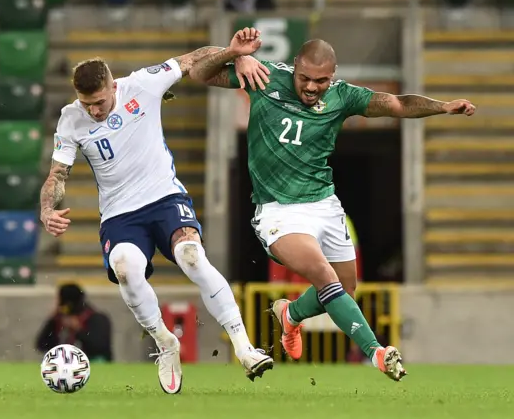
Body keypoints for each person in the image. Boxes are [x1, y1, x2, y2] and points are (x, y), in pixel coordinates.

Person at [189, 27, 476, 381]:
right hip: (278, 210)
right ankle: (377, 352)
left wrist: (443, 107)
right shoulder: (263, 77)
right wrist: (233, 53)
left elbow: (397, 104)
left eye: (321, 81)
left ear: (333, 76)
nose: (311, 87)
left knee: (345, 288)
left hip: (324, 205)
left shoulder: (343, 97)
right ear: (294, 66)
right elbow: (199, 73)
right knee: (325, 277)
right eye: (305, 78)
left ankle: (290, 315)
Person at [39, 46, 273, 394]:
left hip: (165, 197)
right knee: (124, 269)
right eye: (87, 104)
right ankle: (165, 344)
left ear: (113, 87)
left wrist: (233, 51)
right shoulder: (71, 118)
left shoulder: (141, 85)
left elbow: (193, 60)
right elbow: (58, 174)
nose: (94, 110)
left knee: (191, 257)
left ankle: (244, 348)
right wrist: (46, 209)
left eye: (99, 102)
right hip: (120, 214)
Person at [35, 283, 113, 362]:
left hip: (92, 363)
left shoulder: (97, 319)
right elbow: (41, 345)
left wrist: (78, 330)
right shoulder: (59, 319)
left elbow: (100, 347)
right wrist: (52, 321)